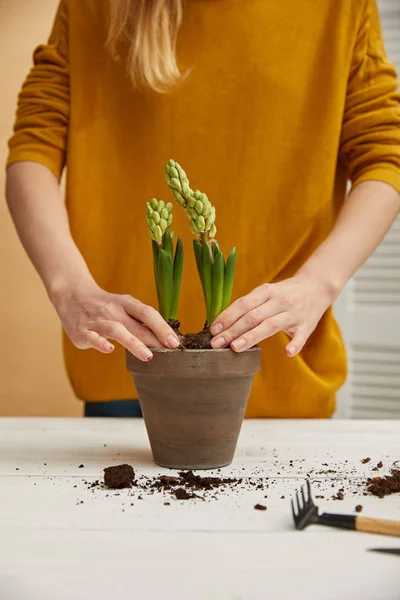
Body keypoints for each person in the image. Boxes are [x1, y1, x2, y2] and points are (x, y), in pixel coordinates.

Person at [5, 0, 400, 419]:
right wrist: (69, 288)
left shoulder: (338, 7)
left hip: (282, 371)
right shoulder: (94, 7)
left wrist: (319, 283)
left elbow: (386, 154)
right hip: (132, 368)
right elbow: (33, 148)